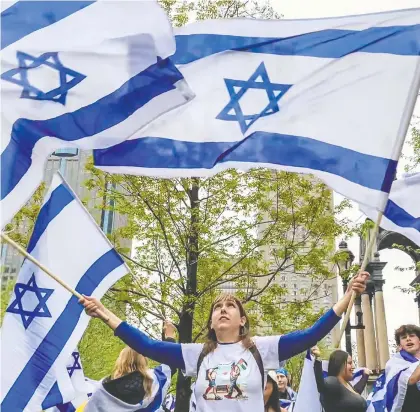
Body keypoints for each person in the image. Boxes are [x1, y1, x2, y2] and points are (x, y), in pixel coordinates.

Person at [81, 272, 368, 412]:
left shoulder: (261, 348)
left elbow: (310, 335)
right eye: (217, 307)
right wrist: (105, 313)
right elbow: (146, 345)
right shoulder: (196, 354)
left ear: (242, 320)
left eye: (231, 306)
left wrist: (347, 297)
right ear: (210, 322)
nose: (223, 309)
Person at [78, 321, 176, 412]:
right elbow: (170, 364)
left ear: (120, 361)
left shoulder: (103, 388)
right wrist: (170, 336)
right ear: (144, 361)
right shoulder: (152, 382)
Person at [312, 346, 370, 412]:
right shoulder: (333, 382)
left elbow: (356, 392)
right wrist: (317, 359)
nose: (353, 366)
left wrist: (365, 375)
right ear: (340, 364)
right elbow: (320, 385)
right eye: (350, 363)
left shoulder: (347, 384)